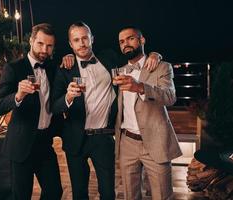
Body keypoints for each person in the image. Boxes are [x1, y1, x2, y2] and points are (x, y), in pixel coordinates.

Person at [51, 21, 160, 200]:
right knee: (79, 193)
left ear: (92, 39)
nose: (82, 43)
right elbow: (54, 106)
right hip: (75, 138)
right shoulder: (64, 69)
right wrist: (68, 97)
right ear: (71, 44)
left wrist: (155, 54)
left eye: (85, 38)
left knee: (108, 192)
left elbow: (134, 57)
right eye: (76, 40)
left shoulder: (109, 58)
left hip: (104, 137)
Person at [0, 23, 63, 200]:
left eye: (49, 45)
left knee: (54, 192)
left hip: (45, 143)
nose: (44, 50)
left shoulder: (53, 68)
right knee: (21, 196)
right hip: (21, 145)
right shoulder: (14, 68)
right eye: (40, 44)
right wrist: (18, 95)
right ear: (31, 41)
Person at [113, 26, 182, 200]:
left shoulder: (161, 67)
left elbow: (170, 97)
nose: (126, 44)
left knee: (162, 195)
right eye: (122, 41)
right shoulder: (119, 71)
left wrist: (141, 88)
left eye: (130, 39)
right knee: (130, 195)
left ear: (142, 40)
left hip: (156, 141)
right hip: (127, 142)